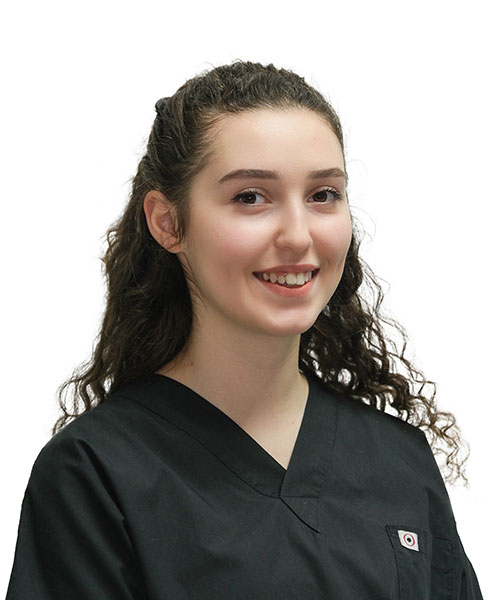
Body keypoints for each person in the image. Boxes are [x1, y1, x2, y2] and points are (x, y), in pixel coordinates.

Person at [6, 61, 483, 599]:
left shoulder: (399, 462)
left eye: (323, 194)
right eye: (250, 197)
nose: (298, 236)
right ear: (167, 222)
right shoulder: (96, 474)